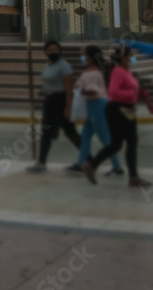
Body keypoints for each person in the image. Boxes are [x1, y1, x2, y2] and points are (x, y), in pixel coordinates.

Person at [82, 46, 153, 187]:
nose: (131, 58)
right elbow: (113, 92)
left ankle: (133, 177)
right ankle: (92, 165)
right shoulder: (118, 71)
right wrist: (132, 95)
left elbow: (134, 89)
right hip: (117, 111)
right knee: (117, 144)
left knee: (130, 143)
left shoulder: (126, 71)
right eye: (129, 56)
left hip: (127, 110)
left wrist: (144, 100)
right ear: (122, 58)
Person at [66, 45, 122, 176]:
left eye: (85, 55)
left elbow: (93, 90)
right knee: (85, 136)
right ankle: (80, 163)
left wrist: (82, 90)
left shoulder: (94, 71)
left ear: (91, 57)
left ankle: (117, 167)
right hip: (92, 107)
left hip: (98, 106)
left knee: (106, 139)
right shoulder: (93, 69)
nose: (84, 57)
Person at [26, 39, 80, 173]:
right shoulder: (47, 65)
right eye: (50, 50)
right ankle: (41, 163)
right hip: (49, 102)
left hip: (61, 101)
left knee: (71, 132)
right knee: (45, 132)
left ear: (60, 51)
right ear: (46, 52)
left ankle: (89, 160)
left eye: (56, 49)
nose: (53, 52)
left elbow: (69, 88)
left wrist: (68, 107)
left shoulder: (64, 66)